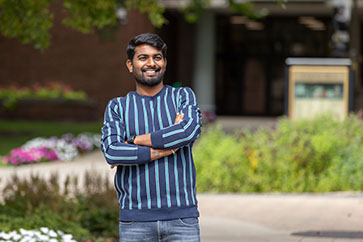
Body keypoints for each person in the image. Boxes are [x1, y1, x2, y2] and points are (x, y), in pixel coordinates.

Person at [101, 33, 202, 242]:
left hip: (182, 218)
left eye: (157, 57)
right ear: (130, 65)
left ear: (164, 63)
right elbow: (112, 151)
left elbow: (188, 131)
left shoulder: (182, 96)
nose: (151, 63)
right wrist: (167, 147)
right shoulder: (117, 106)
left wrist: (133, 140)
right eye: (143, 57)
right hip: (135, 220)